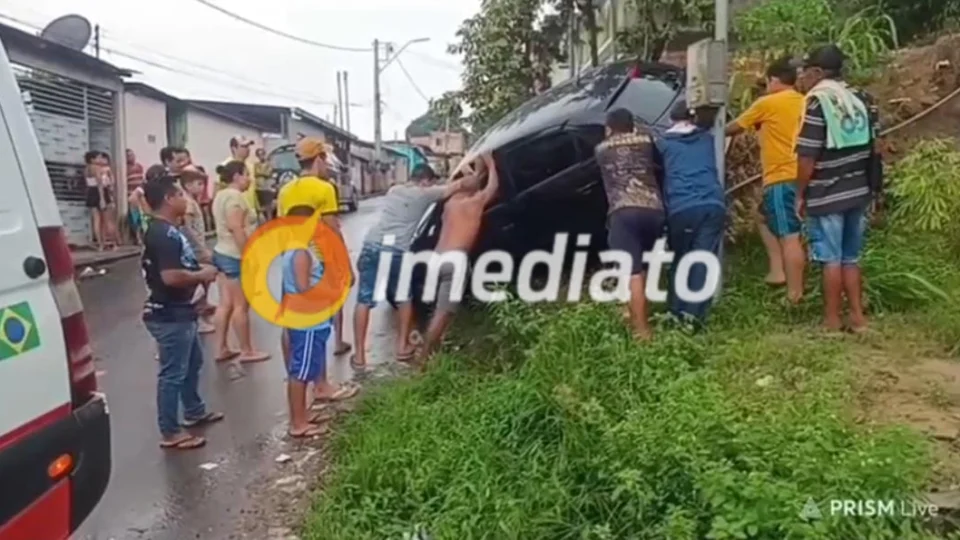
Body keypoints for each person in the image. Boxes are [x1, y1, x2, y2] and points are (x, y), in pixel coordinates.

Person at [795, 45, 878, 334]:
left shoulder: (818, 103)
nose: (803, 77)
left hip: (826, 193)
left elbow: (807, 156)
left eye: (806, 71)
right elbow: (875, 144)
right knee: (851, 258)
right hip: (858, 190)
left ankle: (831, 320)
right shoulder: (861, 98)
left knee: (830, 258)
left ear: (818, 72)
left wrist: (800, 193)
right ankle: (858, 318)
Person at [352, 164, 469, 368]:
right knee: (404, 298)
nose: (431, 186)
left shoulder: (394, 190)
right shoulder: (425, 194)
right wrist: (474, 169)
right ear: (425, 181)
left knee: (364, 300)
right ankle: (402, 347)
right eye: (430, 182)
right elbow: (461, 185)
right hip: (396, 249)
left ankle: (360, 356)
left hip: (372, 244)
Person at [141, 175, 223, 450]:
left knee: (192, 363)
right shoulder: (162, 235)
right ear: (168, 199)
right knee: (173, 373)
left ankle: (194, 410)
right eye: (179, 195)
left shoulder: (172, 230)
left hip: (182, 310)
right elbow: (171, 277)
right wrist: (202, 274)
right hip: (169, 315)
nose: (184, 200)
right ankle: (170, 432)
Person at [726, 56, 807, 303]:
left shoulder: (768, 103)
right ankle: (777, 270)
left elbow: (734, 127)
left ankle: (794, 296)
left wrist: (709, 128)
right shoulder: (805, 101)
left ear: (774, 80)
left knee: (789, 235)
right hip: (806, 173)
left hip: (781, 176)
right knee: (762, 216)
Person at [281, 204, 359, 438]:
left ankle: (302, 415)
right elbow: (304, 288)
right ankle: (298, 423)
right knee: (301, 372)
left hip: (307, 319)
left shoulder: (296, 249)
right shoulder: (301, 253)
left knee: (305, 368)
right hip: (308, 322)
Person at [277, 138, 354, 361]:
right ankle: (332, 353)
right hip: (319, 260)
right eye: (325, 159)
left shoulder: (285, 190)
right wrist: (346, 265)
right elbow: (332, 230)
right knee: (322, 320)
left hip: (291, 257)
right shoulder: (325, 188)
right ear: (319, 159)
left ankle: (292, 370)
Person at [594, 108, 665, 340]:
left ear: (608, 128)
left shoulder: (601, 149)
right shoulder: (646, 141)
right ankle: (632, 310)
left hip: (623, 213)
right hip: (654, 211)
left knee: (633, 272)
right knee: (644, 265)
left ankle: (642, 331)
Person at [419, 153, 498, 361]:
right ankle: (424, 360)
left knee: (443, 309)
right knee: (443, 313)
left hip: (436, 258)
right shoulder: (476, 202)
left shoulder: (451, 203)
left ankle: (436, 350)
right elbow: (493, 187)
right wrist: (491, 163)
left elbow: (470, 183)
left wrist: (474, 172)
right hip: (455, 260)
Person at [655, 101, 727, 326]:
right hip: (714, 204)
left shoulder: (663, 144)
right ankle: (695, 317)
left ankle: (678, 312)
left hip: (682, 206)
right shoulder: (707, 139)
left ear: (671, 120)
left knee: (682, 259)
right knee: (703, 260)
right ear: (693, 118)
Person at [211, 160, 270, 363]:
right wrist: (247, 255)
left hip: (222, 251)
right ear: (236, 176)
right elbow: (236, 227)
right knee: (240, 305)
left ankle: (221, 347)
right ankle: (247, 350)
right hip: (235, 255)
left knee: (225, 304)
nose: (249, 179)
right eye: (246, 174)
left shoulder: (220, 195)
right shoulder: (235, 197)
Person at [180, 165, 215, 334]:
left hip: (197, 247)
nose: (202, 188)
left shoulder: (192, 201)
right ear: (188, 185)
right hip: (195, 250)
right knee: (201, 282)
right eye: (198, 184)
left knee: (204, 281)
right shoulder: (188, 203)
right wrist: (200, 248)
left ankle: (200, 313)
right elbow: (187, 228)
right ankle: (199, 317)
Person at [222, 136, 261, 221]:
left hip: (251, 215)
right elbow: (218, 192)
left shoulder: (250, 166)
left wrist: (259, 212)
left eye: (248, 146)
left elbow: (253, 191)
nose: (248, 149)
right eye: (244, 146)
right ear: (234, 149)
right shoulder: (225, 167)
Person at [83, 151, 116, 251]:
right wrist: (102, 198)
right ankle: (111, 242)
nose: (100, 159)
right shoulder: (97, 168)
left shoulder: (86, 169)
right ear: (92, 159)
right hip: (99, 192)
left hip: (91, 192)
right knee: (106, 220)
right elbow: (100, 184)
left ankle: (100, 244)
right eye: (98, 158)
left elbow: (87, 183)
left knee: (96, 220)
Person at [126, 149, 145, 245]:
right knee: (135, 217)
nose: (132, 157)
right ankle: (137, 237)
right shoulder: (125, 168)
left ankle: (143, 236)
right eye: (129, 156)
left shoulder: (139, 166)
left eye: (132, 155)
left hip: (141, 194)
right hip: (131, 194)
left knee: (143, 216)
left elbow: (142, 179)